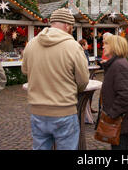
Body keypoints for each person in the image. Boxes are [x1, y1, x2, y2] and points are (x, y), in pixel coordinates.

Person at [22, 8, 89, 150]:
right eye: (71, 27)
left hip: (37, 111)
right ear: (67, 25)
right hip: (64, 110)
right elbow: (83, 81)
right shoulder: (73, 47)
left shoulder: (32, 44)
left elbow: (25, 71)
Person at [100, 35, 128, 150]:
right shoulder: (116, 64)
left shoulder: (119, 65)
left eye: (106, 43)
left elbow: (126, 95)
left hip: (119, 119)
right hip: (119, 118)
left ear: (114, 46)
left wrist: (112, 113)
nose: (103, 46)